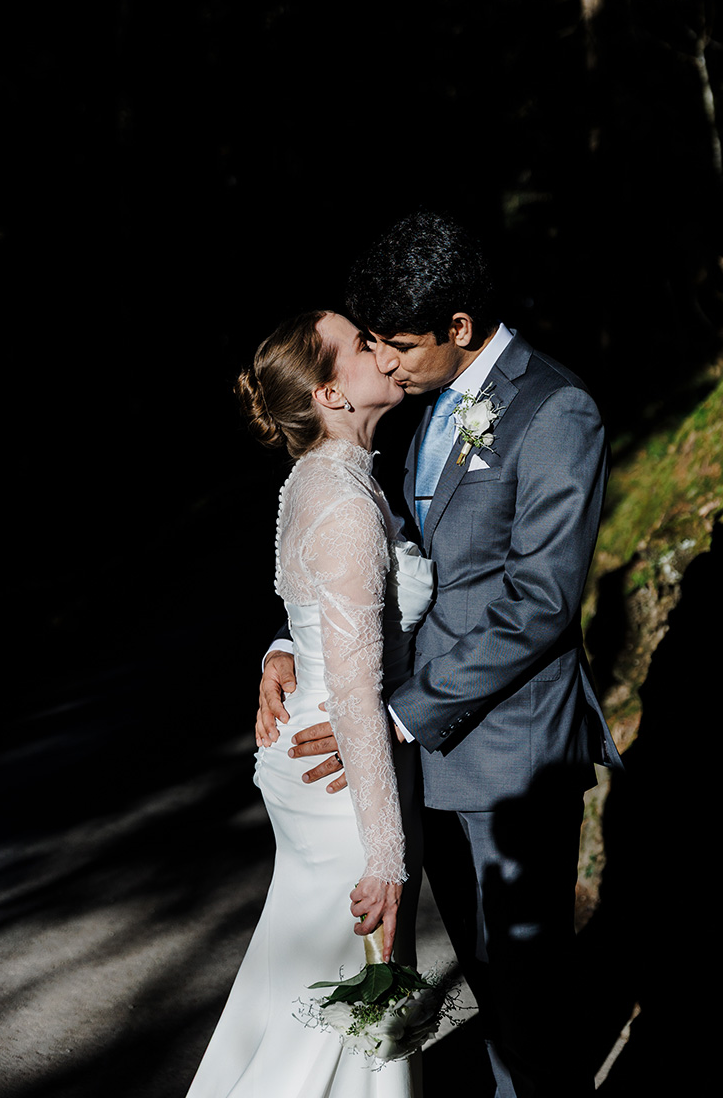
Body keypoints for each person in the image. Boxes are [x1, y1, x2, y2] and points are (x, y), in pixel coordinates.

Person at [259, 211, 624, 1098]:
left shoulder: (556, 410)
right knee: (495, 997)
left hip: (512, 759)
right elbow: (391, 567)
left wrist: (392, 715)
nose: (383, 363)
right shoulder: (425, 410)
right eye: (372, 344)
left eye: (398, 345)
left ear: (459, 329)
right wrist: (291, 645)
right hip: (432, 760)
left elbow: (540, 602)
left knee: (533, 1012)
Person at [186, 310, 434, 1098]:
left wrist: (283, 650)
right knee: (349, 1014)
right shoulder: (344, 500)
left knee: (313, 997)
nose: (381, 346)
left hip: (316, 760)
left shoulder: (320, 478)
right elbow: (358, 693)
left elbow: (314, 611)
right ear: (330, 390)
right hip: (342, 783)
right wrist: (387, 860)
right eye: (363, 343)